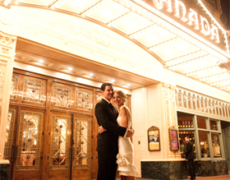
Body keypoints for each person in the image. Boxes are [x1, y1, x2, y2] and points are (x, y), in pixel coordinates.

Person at [95, 83, 134, 180]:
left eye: (112, 90)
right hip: (105, 146)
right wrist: (125, 131)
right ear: (102, 92)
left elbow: (120, 123)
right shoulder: (100, 105)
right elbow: (106, 123)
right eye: (108, 90)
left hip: (115, 146)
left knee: (112, 174)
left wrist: (130, 130)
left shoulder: (114, 108)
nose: (111, 92)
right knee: (104, 173)